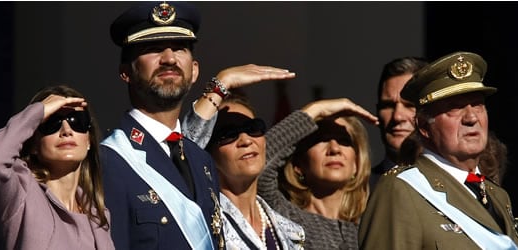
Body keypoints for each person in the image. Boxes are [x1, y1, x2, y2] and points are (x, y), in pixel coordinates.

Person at [100, 2, 295, 250]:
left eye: (180, 48)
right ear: (126, 72)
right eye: (153, 48)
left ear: (194, 71)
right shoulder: (109, 161)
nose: (169, 58)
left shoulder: (200, 160)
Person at [358, 51, 518, 249]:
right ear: (423, 126)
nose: (471, 118)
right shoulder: (402, 189)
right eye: (454, 108)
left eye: (478, 105)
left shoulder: (497, 195)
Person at [0, 85, 115, 249]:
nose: (66, 130)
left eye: (77, 121)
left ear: (89, 141)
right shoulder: (21, 192)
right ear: (34, 143)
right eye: (52, 123)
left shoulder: (97, 214)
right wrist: (38, 111)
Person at [260, 98, 378, 250]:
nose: (334, 149)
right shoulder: (286, 218)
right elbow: (257, 166)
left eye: (344, 141)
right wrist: (316, 109)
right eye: (321, 139)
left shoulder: (372, 229)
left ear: (356, 163)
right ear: (298, 164)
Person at [205, 91, 306, 250]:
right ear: (208, 152)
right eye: (228, 134)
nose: (246, 140)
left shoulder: (292, 232)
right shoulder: (202, 224)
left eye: (253, 128)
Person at [370, 57, 428, 188]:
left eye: (409, 105)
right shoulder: (357, 190)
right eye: (388, 105)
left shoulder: (463, 186)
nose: (397, 116)